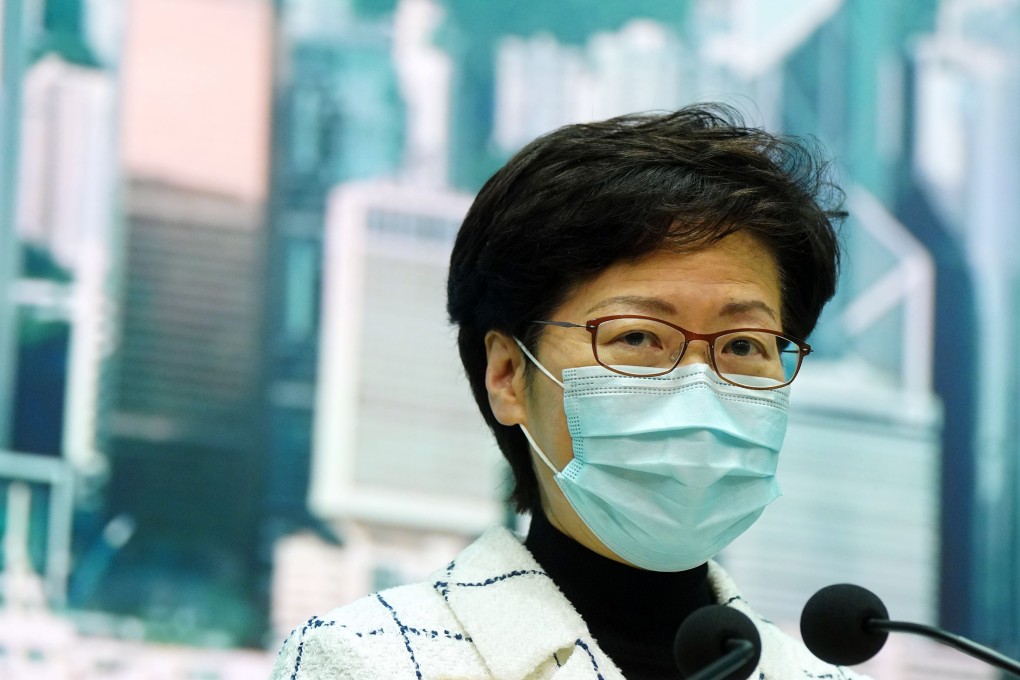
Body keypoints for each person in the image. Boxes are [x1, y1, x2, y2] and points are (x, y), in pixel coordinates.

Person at [271, 104, 872, 680]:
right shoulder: (370, 661)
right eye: (637, 336)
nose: (699, 387)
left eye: (742, 346)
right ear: (507, 375)